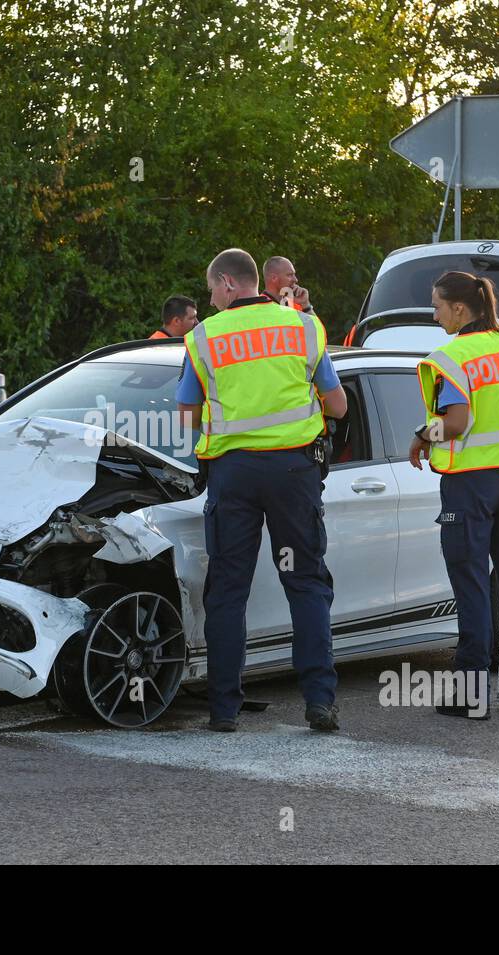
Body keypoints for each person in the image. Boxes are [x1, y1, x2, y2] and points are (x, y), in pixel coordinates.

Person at [177, 248, 348, 733]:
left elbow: (187, 415)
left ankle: (224, 709)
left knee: (229, 589)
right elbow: (336, 406)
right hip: (295, 474)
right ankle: (319, 702)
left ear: (229, 284)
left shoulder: (203, 337)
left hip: (233, 475)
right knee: (307, 583)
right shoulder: (303, 327)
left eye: (212, 288)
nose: (210, 299)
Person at [409, 270, 499, 719]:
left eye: (437, 306)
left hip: (470, 485)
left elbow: (453, 423)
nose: (435, 316)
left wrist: (421, 434)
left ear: (459, 308)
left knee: (472, 587)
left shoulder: (452, 358)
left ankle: (471, 693)